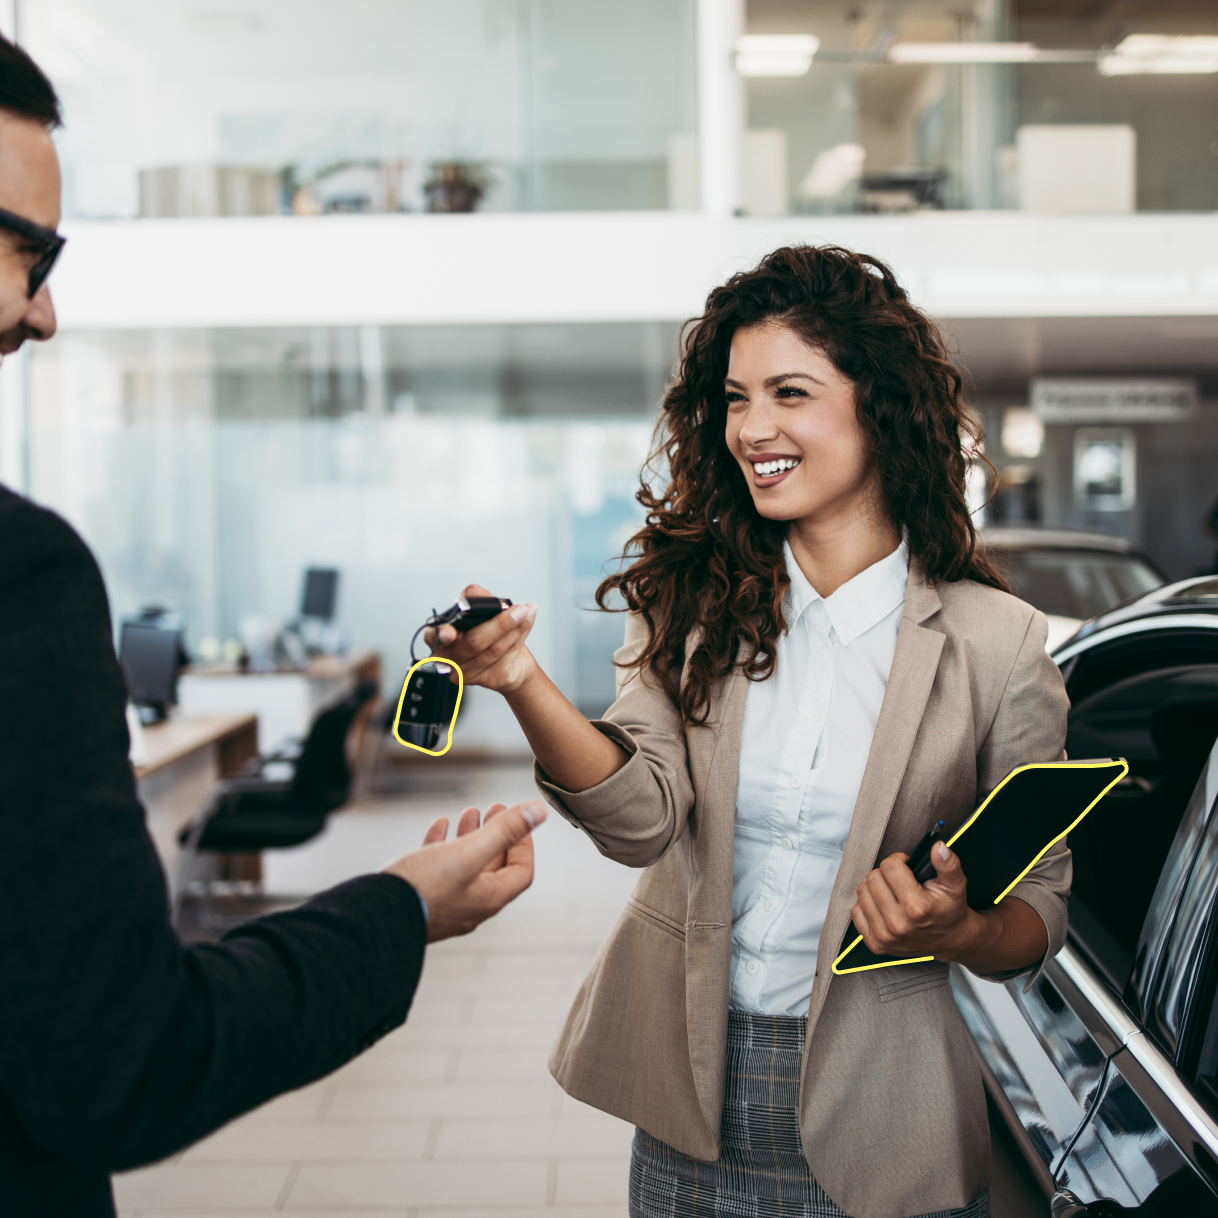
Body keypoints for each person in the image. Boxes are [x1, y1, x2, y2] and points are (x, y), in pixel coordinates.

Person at [0, 36, 546, 1217]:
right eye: (28, 252)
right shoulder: (20, 575)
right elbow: (118, 1068)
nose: (42, 311)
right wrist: (402, 906)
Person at [433, 245, 1071, 1218]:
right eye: (735, 398)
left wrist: (963, 927)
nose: (753, 428)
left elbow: (1039, 917)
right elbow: (639, 821)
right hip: (693, 1082)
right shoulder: (689, 602)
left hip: (889, 1105)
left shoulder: (997, 645)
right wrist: (519, 679)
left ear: (878, 406)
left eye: (789, 392)